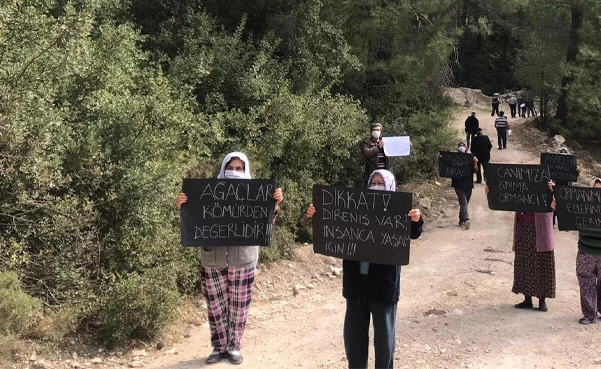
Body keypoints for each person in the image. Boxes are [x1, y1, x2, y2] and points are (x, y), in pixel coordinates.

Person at [306, 170, 423, 369]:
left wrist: (416, 219)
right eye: (374, 182)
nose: (376, 186)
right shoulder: (354, 209)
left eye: (381, 183)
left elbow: (414, 232)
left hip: (384, 288)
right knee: (354, 340)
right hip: (356, 286)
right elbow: (331, 222)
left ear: (390, 186)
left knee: (385, 342)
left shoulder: (397, 210)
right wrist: (316, 214)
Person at [176, 152, 284, 365]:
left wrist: (275, 204)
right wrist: (183, 205)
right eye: (231, 167)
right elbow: (194, 219)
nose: (234, 172)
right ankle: (218, 346)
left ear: (246, 171)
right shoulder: (206, 193)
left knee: (239, 306)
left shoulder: (257, 192)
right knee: (215, 306)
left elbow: (267, 221)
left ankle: (234, 346)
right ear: (223, 168)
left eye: (239, 168)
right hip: (212, 258)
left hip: (244, 258)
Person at [549, 177, 601, 325]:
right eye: (595, 190)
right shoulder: (582, 206)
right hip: (586, 251)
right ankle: (589, 314)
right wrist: (558, 209)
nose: (598, 193)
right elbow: (568, 222)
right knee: (586, 283)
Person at [484, 184, 555, 312]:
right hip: (523, 227)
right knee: (524, 262)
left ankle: (542, 300)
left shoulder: (547, 187)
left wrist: (553, 192)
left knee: (542, 262)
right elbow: (504, 196)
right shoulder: (520, 185)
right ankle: (527, 298)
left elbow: (560, 204)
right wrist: (491, 192)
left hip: (541, 230)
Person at [450, 141, 477, 229]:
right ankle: (465, 220)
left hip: (468, 184)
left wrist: (475, 163)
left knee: (465, 203)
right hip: (458, 184)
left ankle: (461, 220)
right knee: (464, 202)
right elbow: (446, 167)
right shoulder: (453, 157)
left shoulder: (470, 157)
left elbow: (475, 171)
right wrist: (441, 159)